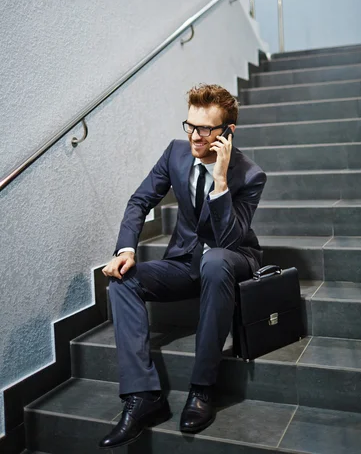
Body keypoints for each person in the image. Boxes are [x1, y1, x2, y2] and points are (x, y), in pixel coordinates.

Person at [99, 84, 267, 449]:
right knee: (123, 280)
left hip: (231, 259)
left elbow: (227, 241)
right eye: (189, 125)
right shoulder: (176, 153)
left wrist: (220, 180)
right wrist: (126, 248)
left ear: (228, 133)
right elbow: (140, 200)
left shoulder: (249, 175)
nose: (194, 136)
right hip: (184, 263)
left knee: (216, 260)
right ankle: (144, 397)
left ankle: (203, 388)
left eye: (205, 129)